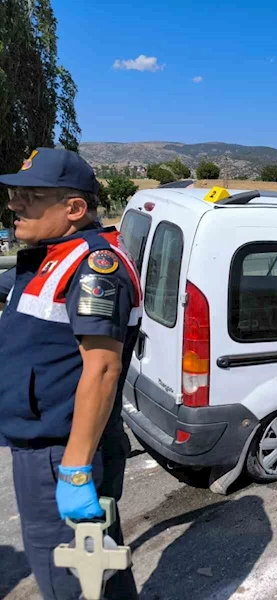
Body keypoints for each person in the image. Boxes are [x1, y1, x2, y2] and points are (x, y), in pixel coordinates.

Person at [0, 148, 141, 599]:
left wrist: (76, 470)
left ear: (74, 209)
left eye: (29, 196)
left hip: (61, 451)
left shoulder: (94, 267)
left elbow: (102, 369)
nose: (13, 204)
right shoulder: (53, 254)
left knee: (70, 579)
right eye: (13, 193)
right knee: (101, 568)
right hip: (52, 443)